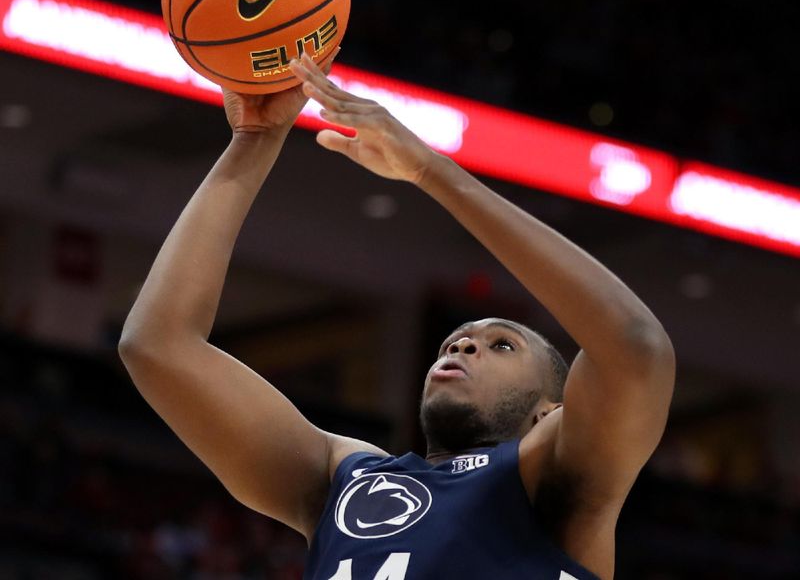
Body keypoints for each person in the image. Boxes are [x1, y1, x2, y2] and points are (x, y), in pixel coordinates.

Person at [119, 51, 675, 580]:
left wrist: (432, 172)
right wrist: (255, 139)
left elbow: (635, 346)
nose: (461, 347)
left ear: (548, 413)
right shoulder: (342, 478)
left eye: (502, 344)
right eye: (453, 343)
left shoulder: (556, 485)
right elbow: (158, 345)